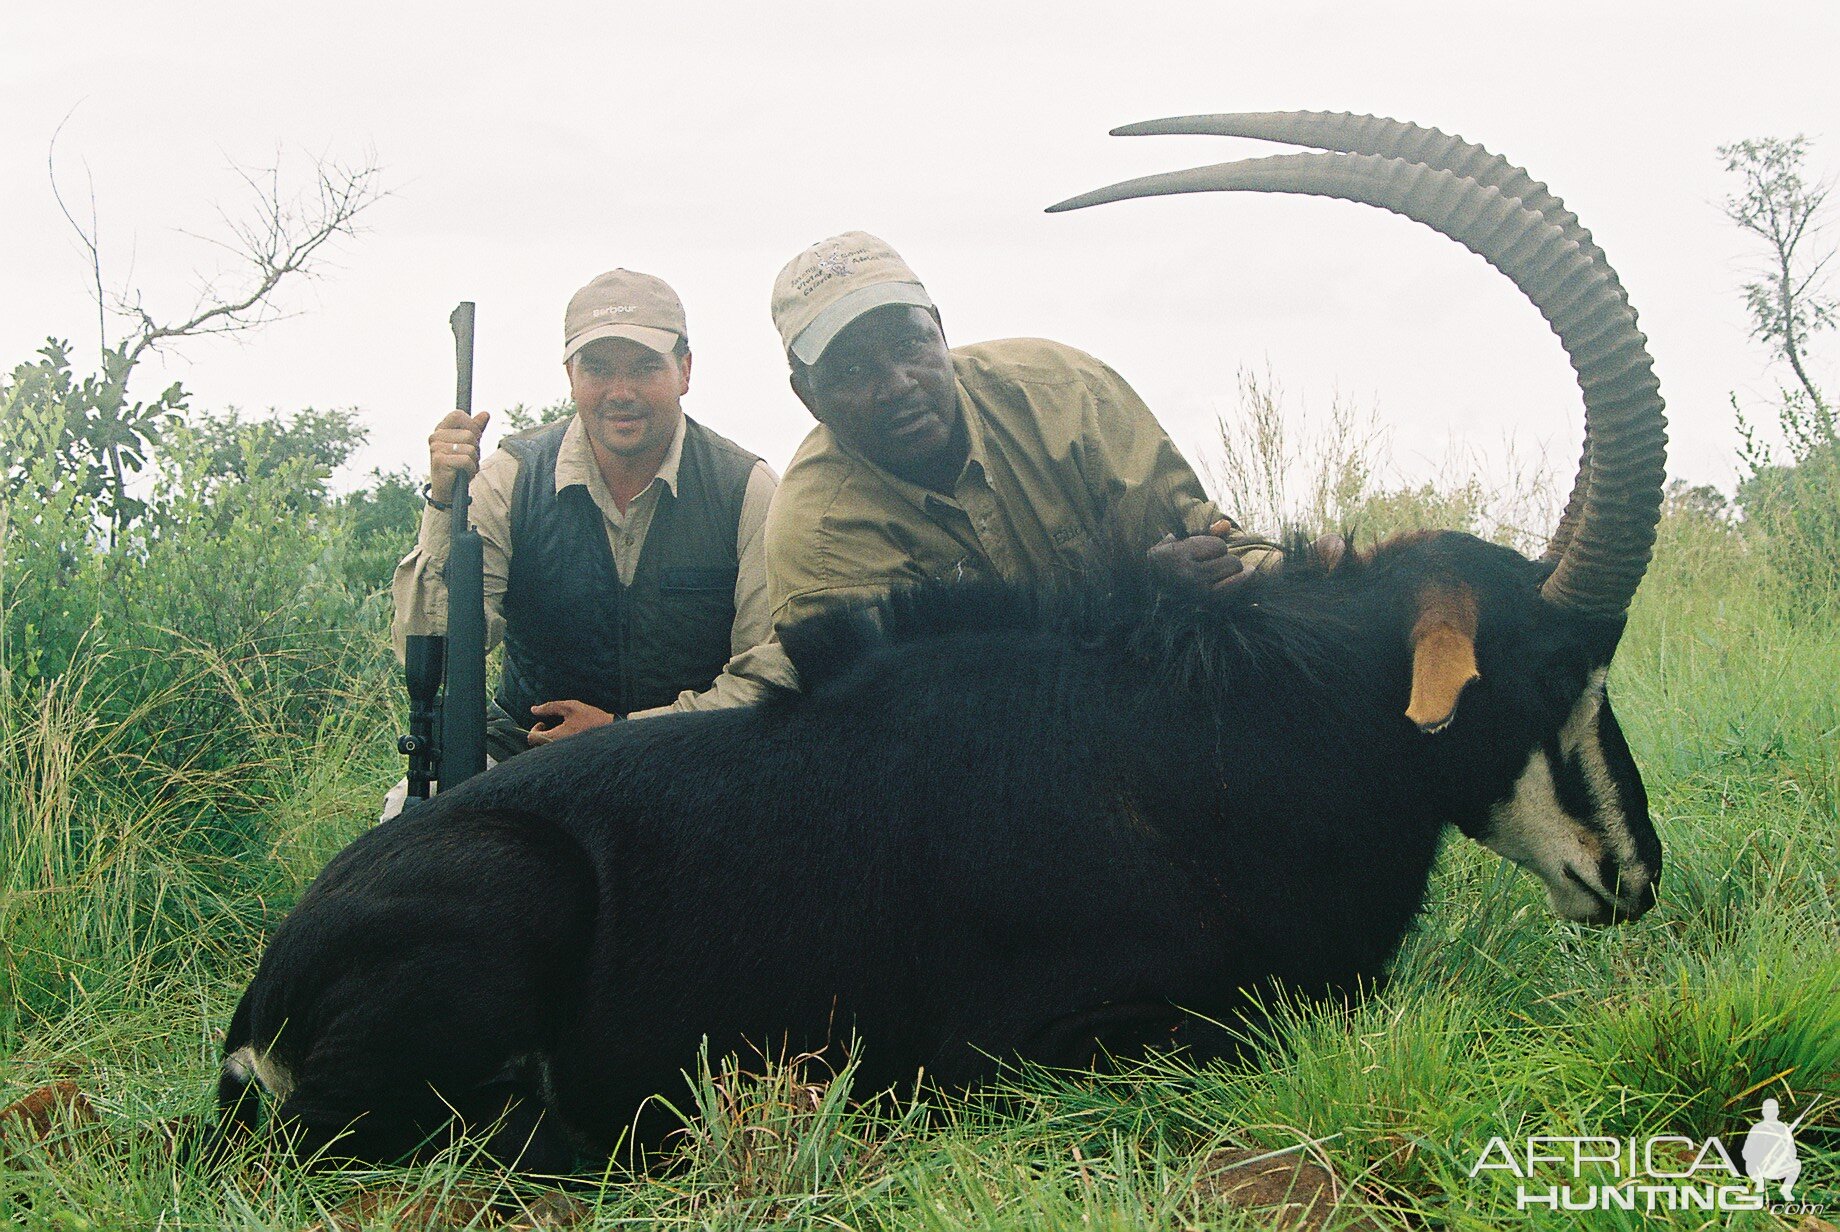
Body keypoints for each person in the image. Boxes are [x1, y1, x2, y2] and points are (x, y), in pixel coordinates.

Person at [385, 269, 780, 815]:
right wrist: (443, 505)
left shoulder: (747, 488)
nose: (622, 393)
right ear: (571, 376)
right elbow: (435, 655)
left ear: (685, 370)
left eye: (645, 367)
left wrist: (623, 734)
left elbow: (767, 677)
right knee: (405, 814)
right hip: (525, 753)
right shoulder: (509, 476)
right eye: (597, 368)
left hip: (689, 762)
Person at [763, 231, 1271, 633]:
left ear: (941, 330)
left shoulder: (1067, 394)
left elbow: (1219, 546)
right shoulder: (817, 535)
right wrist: (1138, 592)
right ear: (807, 398)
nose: (896, 385)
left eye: (909, 345)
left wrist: (1314, 569)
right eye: (851, 371)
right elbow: (931, 709)